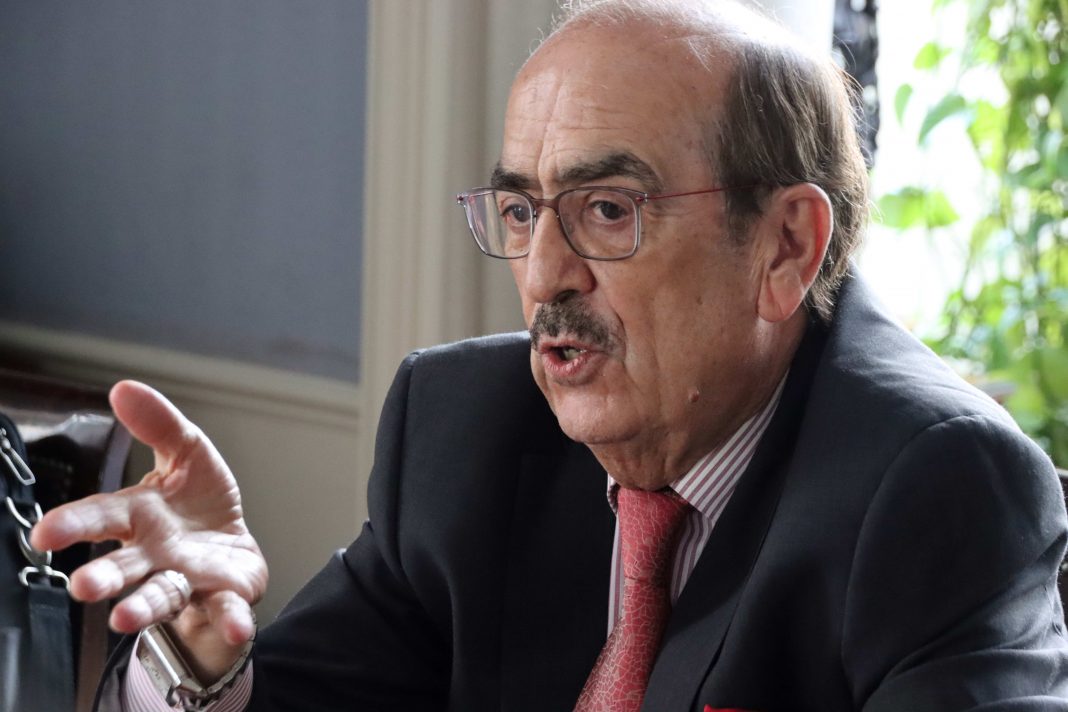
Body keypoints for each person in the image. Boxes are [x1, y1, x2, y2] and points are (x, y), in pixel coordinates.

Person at [30, 0, 1068, 710]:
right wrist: (204, 661)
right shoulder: (463, 425)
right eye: (523, 210)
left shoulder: (940, 486)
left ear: (785, 246)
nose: (543, 275)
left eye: (608, 209)